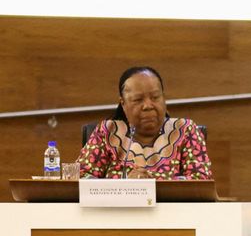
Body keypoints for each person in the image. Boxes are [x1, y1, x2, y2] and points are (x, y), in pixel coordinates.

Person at [77, 65, 211, 180]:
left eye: (155, 97)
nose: (148, 105)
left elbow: (201, 180)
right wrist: (124, 185)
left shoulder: (185, 130)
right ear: (123, 104)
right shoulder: (107, 131)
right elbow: (81, 178)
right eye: (138, 99)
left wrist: (150, 182)